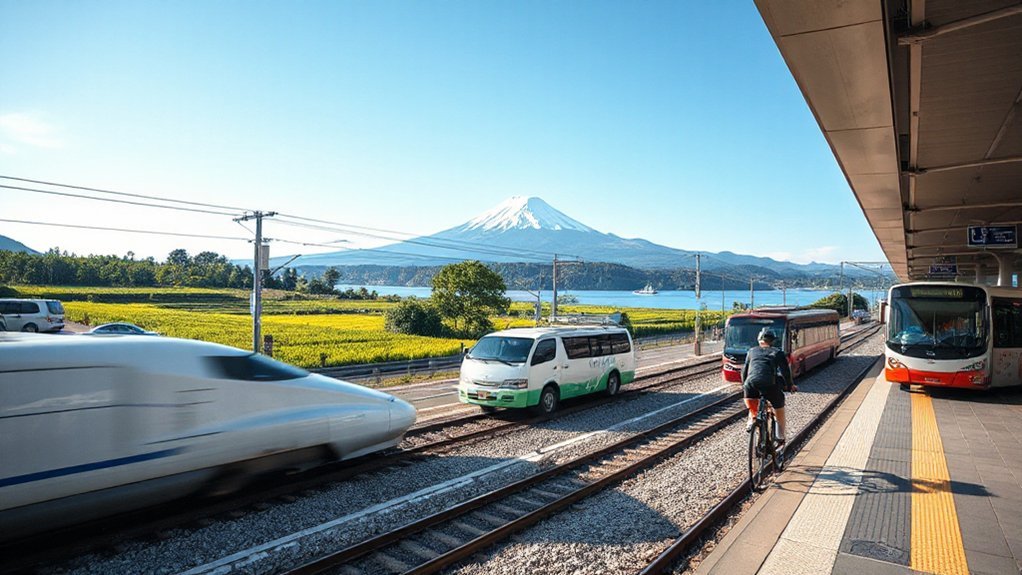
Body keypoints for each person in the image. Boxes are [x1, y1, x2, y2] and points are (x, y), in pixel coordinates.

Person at [742, 328, 797, 444]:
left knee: (754, 408)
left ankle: (752, 421)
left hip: (750, 385)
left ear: (759, 340)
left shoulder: (751, 351)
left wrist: (744, 385)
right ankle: (780, 437)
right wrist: (790, 385)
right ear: (772, 341)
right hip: (770, 385)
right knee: (779, 408)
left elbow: (745, 371)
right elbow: (785, 372)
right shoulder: (777, 352)